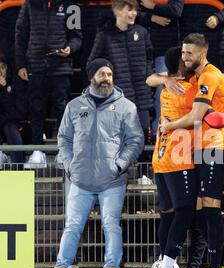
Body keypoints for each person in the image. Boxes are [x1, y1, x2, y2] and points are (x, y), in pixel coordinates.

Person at [52, 58, 144, 268]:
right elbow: (63, 138)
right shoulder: (74, 106)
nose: (107, 79)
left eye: (110, 75)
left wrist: (120, 165)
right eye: (102, 74)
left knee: (111, 224)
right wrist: (70, 164)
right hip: (80, 179)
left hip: (112, 180)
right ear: (92, 77)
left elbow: (136, 140)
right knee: (72, 225)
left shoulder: (126, 106)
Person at [157, 33, 224, 268]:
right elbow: (151, 79)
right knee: (201, 209)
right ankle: (203, 267)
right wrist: (163, 79)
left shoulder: (209, 75)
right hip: (197, 148)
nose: (185, 57)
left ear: (203, 52)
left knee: (211, 208)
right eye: (183, 53)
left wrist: (169, 126)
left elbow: (196, 115)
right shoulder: (196, 77)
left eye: (189, 53)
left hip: (212, 147)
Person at [149, 46, 197, 268]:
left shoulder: (166, 85)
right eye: (186, 57)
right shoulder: (186, 88)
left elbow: (149, 78)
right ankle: (168, 264)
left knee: (168, 212)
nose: (190, 59)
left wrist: (163, 78)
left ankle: (161, 262)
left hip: (161, 156)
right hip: (179, 157)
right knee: (186, 210)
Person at [87, 0, 154, 171]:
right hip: (117, 98)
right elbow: (91, 64)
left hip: (142, 95)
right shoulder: (105, 35)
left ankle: (143, 174)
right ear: (117, 10)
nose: (133, 14)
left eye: (135, 10)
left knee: (144, 134)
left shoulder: (142, 32)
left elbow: (149, 57)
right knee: (116, 138)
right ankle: (115, 174)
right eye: (129, 10)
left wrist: (147, 75)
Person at [15, 0, 82, 168]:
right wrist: (21, 64)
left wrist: (69, 49)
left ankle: (63, 151)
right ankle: (37, 151)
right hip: (35, 66)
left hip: (60, 66)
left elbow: (76, 37)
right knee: (36, 109)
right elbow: (21, 35)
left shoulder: (70, 5)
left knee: (62, 109)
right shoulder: (29, 4)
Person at [139, 0, 184, 142]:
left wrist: (153, 6)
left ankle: (159, 131)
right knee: (139, 90)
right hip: (137, 49)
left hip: (165, 50)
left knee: (162, 90)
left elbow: (175, 11)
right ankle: (140, 134)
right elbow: (127, 12)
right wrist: (151, 17)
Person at [180, 0, 224, 73]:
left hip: (214, 44)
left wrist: (218, 18)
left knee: (214, 80)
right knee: (187, 81)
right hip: (187, 43)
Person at [0, 53, 27, 165]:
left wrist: (4, 90)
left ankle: (18, 167)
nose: (0, 72)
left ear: (7, 69)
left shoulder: (15, 83)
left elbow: (20, 111)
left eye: (2, 68)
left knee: (10, 127)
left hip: (14, 123)